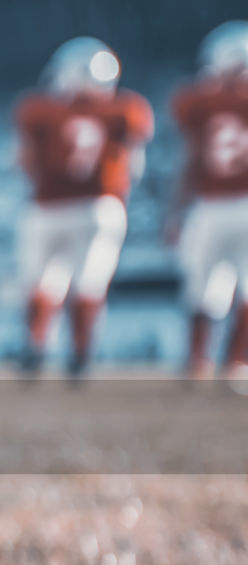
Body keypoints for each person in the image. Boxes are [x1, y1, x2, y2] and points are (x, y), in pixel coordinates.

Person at [15, 37, 153, 379]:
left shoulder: (38, 109)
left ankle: (37, 346)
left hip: (47, 207)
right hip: (100, 206)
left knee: (41, 283)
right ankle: (81, 356)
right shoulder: (126, 109)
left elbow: (23, 161)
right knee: (89, 283)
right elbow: (133, 166)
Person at [168, 20, 248, 385]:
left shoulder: (198, 101)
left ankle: (197, 362)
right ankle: (236, 364)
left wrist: (175, 210)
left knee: (202, 289)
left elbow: (191, 158)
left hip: (210, 205)